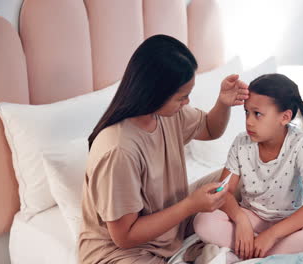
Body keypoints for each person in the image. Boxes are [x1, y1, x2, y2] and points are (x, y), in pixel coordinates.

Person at [78, 34, 249, 264]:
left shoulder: (166, 114)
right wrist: (191, 205)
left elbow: (209, 128)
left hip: (171, 222)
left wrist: (223, 103)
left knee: (243, 174)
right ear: (154, 92)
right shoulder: (118, 150)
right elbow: (125, 237)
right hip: (123, 253)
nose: (187, 102)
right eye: (182, 97)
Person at [193, 73, 303, 262]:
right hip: (251, 216)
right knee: (203, 220)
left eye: (257, 114)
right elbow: (223, 191)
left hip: (287, 223)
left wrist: (271, 235)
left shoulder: (300, 144)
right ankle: (257, 247)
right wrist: (241, 220)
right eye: (247, 112)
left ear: (284, 117)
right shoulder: (241, 143)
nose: (249, 121)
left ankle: (245, 252)